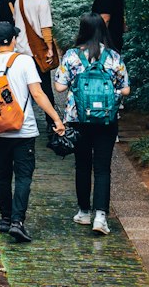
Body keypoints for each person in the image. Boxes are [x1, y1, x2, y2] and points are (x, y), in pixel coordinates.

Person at [0, 21, 65, 243]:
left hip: (0, 131)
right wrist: (56, 119)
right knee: (24, 177)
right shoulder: (24, 61)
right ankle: (18, 221)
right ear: (14, 40)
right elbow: (37, 93)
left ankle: (5, 218)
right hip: (24, 131)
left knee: (3, 176)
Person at [54, 13, 131, 235]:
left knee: (83, 165)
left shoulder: (71, 56)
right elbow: (126, 88)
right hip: (106, 120)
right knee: (103, 167)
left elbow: (59, 87)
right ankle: (101, 216)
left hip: (79, 120)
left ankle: (84, 212)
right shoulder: (113, 57)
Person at [15, 0, 57, 88]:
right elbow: (45, 28)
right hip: (37, 50)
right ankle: (48, 107)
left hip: (21, 49)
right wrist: (50, 49)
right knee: (45, 87)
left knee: (25, 87)